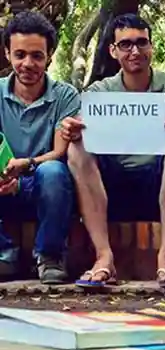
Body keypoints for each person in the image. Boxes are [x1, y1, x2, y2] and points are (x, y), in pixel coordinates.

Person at [61, 13, 165, 290]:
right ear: (113, 51)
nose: (135, 51)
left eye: (141, 43)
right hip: (112, 187)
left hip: (160, 183)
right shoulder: (99, 90)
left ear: (151, 47)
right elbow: (81, 125)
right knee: (76, 148)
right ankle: (103, 257)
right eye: (125, 44)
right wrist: (72, 129)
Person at [0, 11, 79, 284]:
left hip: (44, 187)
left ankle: (49, 256)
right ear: (7, 54)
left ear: (50, 56)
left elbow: (59, 152)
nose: (28, 64)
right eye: (20, 55)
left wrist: (27, 165)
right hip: (3, 185)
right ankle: (4, 254)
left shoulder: (65, 95)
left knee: (54, 171)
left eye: (37, 56)